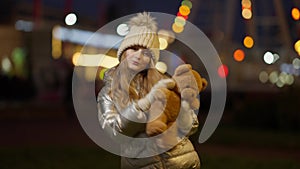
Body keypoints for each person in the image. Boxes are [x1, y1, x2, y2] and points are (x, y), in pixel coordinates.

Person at [97, 12, 201, 169]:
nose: (138, 56)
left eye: (146, 53)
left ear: (151, 59)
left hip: (183, 163)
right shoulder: (109, 92)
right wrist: (144, 104)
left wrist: (183, 108)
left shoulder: (166, 82)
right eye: (134, 48)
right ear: (124, 52)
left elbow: (192, 126)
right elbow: (116, 133)